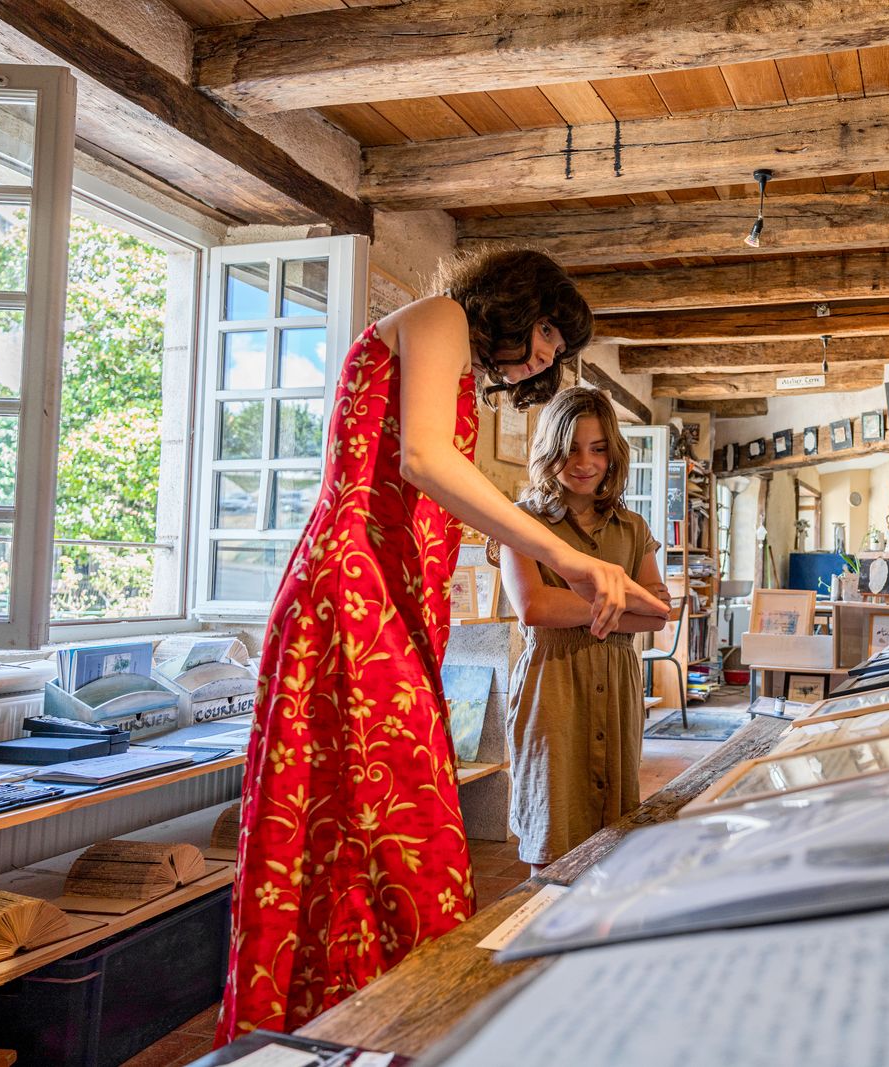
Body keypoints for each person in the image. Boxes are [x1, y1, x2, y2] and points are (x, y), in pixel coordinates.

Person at [216, 250, 667, 1042]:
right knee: (412, 825)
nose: (539, 358)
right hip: (354, 593)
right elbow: (422, 458)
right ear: (517, 299)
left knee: (354, 823)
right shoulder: (440, 318)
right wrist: (565, 554)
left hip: (384, 597)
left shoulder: (449, 354)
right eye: (543, 336)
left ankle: (356, 1021)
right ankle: (405, 1022)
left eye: (553, 354)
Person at [498, 386, 671, 873]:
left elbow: (660, 610)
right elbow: (534, 606)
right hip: (553, 683)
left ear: (612, 455)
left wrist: (583, 603)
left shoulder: (632, 527)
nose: (584, 462)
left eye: (597, 449)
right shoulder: (521, 521)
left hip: (617, 684)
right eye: (571, 447)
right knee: (552, 836)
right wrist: (618, 601)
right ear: (549, 448)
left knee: (614, 837)